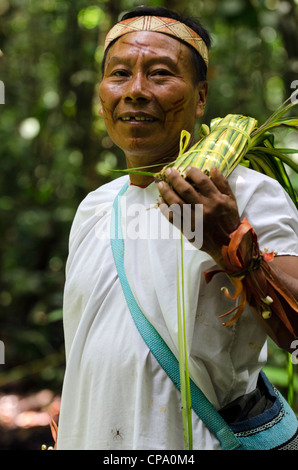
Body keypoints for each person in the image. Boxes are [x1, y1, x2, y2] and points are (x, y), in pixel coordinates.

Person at [56, 6, 298, 450]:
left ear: (201, 96)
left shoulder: (243, 193)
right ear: (101, 93)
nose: (136, 91)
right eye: (119, 74)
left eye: (161, 74)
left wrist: (231, 242)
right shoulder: (95, 208)